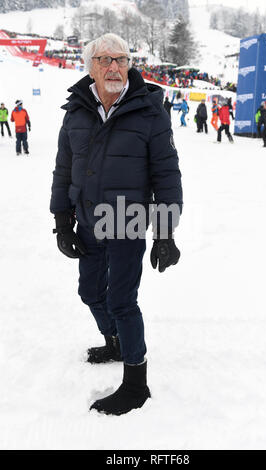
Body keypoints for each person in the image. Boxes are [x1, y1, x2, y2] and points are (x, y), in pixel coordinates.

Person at [50, 33, 183, 416]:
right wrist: (62, 219)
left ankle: (136, 383)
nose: (114, 67)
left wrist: (165, 232)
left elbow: (166, 173)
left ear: (129, 65)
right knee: (91, 292)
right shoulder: (77, 112)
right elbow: (63, 170)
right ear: (90, 66)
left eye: (121, 60)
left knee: (122, 301)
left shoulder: (148, 111)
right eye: (105, 60)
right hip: (89, 220)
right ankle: (115, 343)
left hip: (128, 221)